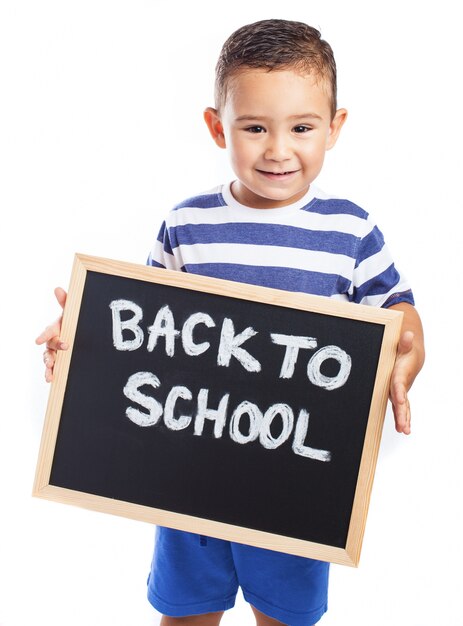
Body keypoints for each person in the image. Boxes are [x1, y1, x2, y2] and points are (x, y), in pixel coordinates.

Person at [36, 18, 425, 626]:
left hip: (297, 485)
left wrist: (410, 342)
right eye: (254, 127)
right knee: (186, 613)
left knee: (285, 617)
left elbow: (397, 308)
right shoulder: (186, 225)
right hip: (188, 478)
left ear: (335, 127)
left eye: (301, 127)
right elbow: (142, 328)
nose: (278, 149)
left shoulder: (352, 230)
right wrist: (82, 342)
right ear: (218, 127)